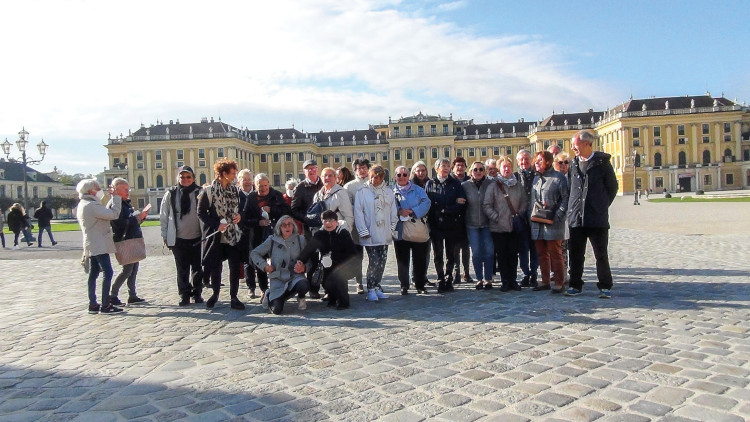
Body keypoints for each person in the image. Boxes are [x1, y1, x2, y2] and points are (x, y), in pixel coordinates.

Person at [566, 129, 618, 298]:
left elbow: (612, 188)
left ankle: (605, 286)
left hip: (596, 218)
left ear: (587, 143)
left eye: (575, 145)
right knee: (575, 255)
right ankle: (575, 284)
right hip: (576, 218)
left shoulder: (602, 163)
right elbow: (569, 188)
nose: (573, 148)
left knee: (600, 254)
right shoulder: (573, 164)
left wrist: (601, 205)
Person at [197, 158, 245, 310]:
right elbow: (200, 212)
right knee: (216, 266)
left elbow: (242, 208)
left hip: (233, 234)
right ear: (223, 173)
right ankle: (215, 294)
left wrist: (239, 216)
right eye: (232, 173)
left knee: (235, 267)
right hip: (217, 234)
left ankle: (234, 296)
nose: (234, 176)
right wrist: (216, 224)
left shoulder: (235, 190)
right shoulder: (209, 191)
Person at [75, 178, 124, 314]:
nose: (99, 191)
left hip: (91, 243)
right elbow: (114, 214)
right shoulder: (91, 205)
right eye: (97, 188)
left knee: (94, 273)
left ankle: (93, 303)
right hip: (99, 243)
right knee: (107, 272)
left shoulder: (84, 204)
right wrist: (116, 197)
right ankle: (105, 304)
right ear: (91, 190)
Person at [160, 165, 204, 306]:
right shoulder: (171, 194)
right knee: (182, 268)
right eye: (182, 176)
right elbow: (164, 216)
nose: (185, 179)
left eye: (188, 177)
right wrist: (165, 235)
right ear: (177, 178)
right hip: (178, 238)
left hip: (198, 237)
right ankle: (184, 294)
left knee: (197, 267)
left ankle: (197, 293)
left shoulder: (200, 193)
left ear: (193, 178)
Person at [354, 164, 398, 301]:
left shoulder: (388, 192)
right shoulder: (362, 191)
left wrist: (392, 229)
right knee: (374, 261)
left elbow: (393, 212)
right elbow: (358, 212)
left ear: (382, 177)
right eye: (372, 177)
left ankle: (378, 286)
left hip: (384, 232)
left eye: (377, 177)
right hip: (370, 232)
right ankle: (370, 288)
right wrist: (363, 230)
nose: (374, 179)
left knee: (382, 261)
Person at [243, 173, 291, 298]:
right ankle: (264, 289)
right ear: (255, 185)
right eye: (260, 186)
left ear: (269, 184)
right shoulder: (251, 198)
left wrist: (272, 210)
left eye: (265, 185)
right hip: (258, 234)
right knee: (261, 262)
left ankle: (281, 287)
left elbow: (286, 212)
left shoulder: (276, 195)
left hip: (276, 233)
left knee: (279, 260)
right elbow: (245, 219)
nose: (263, 188)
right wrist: (258, 222)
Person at [482, 156, 527, 292]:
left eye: (508, 166)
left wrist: (519, 214)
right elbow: (487, 205)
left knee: (513, 254)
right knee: (502, 255)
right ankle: (505, 281)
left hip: (514, 225)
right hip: (498, 227)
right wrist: (496, 217)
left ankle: (513, 280)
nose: (506, 169)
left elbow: (524, 202)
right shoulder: (493, 186)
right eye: (504, 167)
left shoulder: (518, 185)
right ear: (499, 169)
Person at [250, 215, 310, 314]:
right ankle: (270, 295)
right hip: (278, 278)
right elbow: (254, 253)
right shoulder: (272, 240)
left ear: (293, 226)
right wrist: (264, 266)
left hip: (295, 276)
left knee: (304, 285)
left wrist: (303, 267)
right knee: (277, 311)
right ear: (279, 227)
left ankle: (301, 297)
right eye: (284, 225)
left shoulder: (301, 239)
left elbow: (309, 259)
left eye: (289, 224)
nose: (287, 227)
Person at [299, 210, 358, 309]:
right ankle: (332, 297)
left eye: (330, 220)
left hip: (344, 264)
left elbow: (352, 253)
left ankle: (343, 301)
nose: (328, 223)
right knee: (325, 278)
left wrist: (337, 260)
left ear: (336, 222)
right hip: (326, 264)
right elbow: (309, 249)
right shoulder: (319, 234)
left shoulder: (343, 233)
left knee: (338, 276)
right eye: (325, 221)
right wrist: (301, 261)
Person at [529, 152, 569, 294]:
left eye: (540, 161)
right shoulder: (536, 179)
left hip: (553, 222)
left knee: (555, 253)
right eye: (536, 161)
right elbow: (533, 201)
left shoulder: (559, 178)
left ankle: (559, 281)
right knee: (541, 253)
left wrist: (558, 216)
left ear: (548, 162)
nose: (537, 163)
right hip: (537, 222)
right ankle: (545, 281)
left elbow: (565, 199)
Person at [425, 158, 466, 293]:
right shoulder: (430, 184)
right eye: (443, 166)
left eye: (448, 166)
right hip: (435, 223)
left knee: (451, 253)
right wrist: (441, 209)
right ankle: (440, 278)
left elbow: (461, 203)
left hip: (451, 223)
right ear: (436, 169)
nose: (446, 168)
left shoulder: (455, 184)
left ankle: (449, 278)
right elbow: (427, 204)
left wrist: (445, 209)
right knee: (438, 253)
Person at [392, 165, 431, 295]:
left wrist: (412, 211)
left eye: (405, 174)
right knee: (402, 259)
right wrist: (398, 211)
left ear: (409, 176)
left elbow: (426, 203)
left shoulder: (418, 190)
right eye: (399, 175)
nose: (402, 177)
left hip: (416, 228)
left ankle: (420, 284)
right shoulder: (390, 192)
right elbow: (388, 208)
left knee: (419, 258)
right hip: (400, 229)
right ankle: (404, 284)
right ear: (395, 177)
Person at [109, 178, 147, 305]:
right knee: (127, 270)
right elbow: (119, 223)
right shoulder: (115, 205)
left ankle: (132, 295)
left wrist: (141, 218)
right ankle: (112, 295)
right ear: (117, 190)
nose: (128, 192)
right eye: (125, 190)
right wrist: (137, 219)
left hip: (132, 239)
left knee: (133, 269)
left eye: (128, 189)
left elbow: (131, 220)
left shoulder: (125, 203)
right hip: (124, 240)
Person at [291, 159, 324, 298]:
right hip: (309, 230)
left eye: (314, 168)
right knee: (312, 259)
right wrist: (306, 219)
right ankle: (313, 288)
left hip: (325, 227)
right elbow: (293, 209)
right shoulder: (300, 187)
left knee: (327, 257)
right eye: (308, 169)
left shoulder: (324, 183)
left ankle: (329, 286)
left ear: (317, 169)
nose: (311, 171)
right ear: (304, 172)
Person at [462, 161, 494, 290]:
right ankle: (479, 279)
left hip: (488, 223)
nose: (478, 172)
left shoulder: (491, 184)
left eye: (481, 169)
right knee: (476, 253)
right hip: (472, 224)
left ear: (484, 171)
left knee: (489, 252)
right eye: (475, 170)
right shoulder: (464, 186)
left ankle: (488, 279)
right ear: (471, 172)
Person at [344, 158, 371, 294]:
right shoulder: (349, 187)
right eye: (358, 168)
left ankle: (373, 282)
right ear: (355, 170)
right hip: (356, 226)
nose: (361, 170)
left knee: (374, 256)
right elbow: (347, 207)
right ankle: (359, 282)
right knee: (358, 256)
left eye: (364, 168)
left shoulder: (375, 183)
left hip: (373, 226)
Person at [515, 149, 539, 288]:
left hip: (536, 216)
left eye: (526, 159)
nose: (524, 162)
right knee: (523, 248)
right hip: (521, 217)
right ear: (518, 162)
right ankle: (525, 273)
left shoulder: (537, 175)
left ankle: (534, 273)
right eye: (521, 160)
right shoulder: (515, 177)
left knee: (535, 247)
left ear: (531, 160)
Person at [410, 160, 433, 287]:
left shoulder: (431, 184)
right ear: (414, 172)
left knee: (426, 251)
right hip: (414, 222)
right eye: (418, 170)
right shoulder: (410, 186)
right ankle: (414, 277)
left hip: (428, 222)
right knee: (415, 251)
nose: (421, 173)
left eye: (423, 170)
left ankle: (423, 276)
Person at [450, 157, 472, 284]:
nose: (460, 167)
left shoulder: (469, 180)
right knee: (454, 248)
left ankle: (467, 272)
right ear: (454, 167)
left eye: (462, 165)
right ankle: (456, 273)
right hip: (453, 218)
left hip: (467, 217)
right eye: (458, 165)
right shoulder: (450, 181)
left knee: (465, 247)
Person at [236, 169, 257, 298]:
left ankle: (264, 287)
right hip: (243, 231)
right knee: (247, 260)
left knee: (260, 259)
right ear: (239, 181)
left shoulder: (258, 194)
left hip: (258, 230)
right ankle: (251, 287)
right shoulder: (236, 195)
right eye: (244, 179)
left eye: (249, 179)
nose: (248, 182)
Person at [553, 152, 572, 282]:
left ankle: (573, 273)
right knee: (560, 248)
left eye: (566, 163)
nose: (563, 165)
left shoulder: (573, 178)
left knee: (574, 249)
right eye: (560, 162)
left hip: (573, 217)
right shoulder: (554, 178)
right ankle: (562, 274)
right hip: (559, 217)